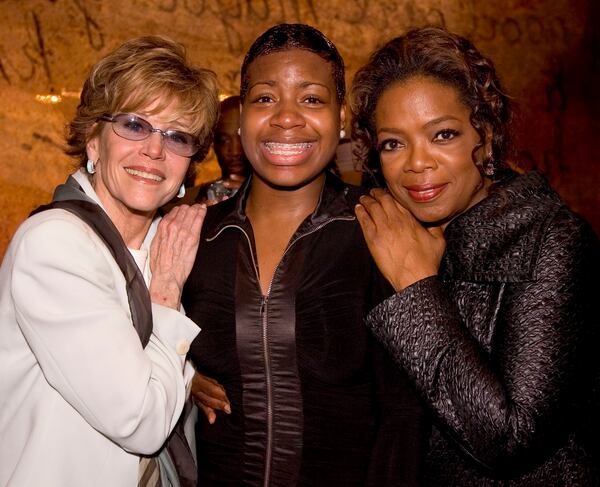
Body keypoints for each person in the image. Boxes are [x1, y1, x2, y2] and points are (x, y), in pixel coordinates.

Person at [351, 26, 600, 486]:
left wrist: (416, 288)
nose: (416, 163)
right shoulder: (390, 232)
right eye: (393, 142)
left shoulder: (554, 240)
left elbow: (511, 439)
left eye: (442, 135)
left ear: (483, 135)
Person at [182, 23, 427, 486]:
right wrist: (182, 376)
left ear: (341, 119)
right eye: (265, 98)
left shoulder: (382, 228)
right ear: (241, 118)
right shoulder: (197, 235)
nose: (286, 118)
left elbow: (407, 414)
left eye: (311, 99)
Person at [0, 36, 219, 487]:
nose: (154, 151)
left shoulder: (174, 240)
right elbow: (140, 421)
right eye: (135, 125)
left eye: (177, 136)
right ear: (93, 142)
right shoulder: (54, 244)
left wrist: (190, 375)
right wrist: (166, 292)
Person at [192, 95, 251, 205]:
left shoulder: (283, 197)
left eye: (242, 138)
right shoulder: (196, 198)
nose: (235, 151)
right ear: (214, 144)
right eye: (224, 140)